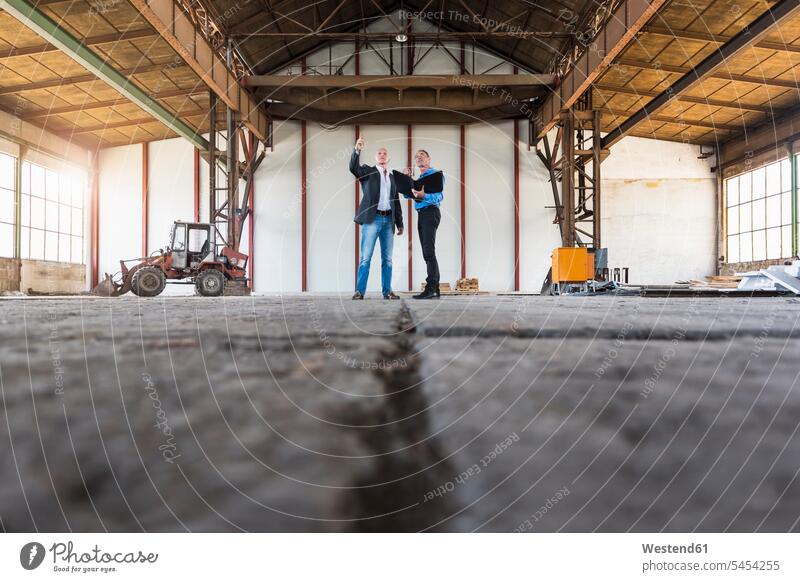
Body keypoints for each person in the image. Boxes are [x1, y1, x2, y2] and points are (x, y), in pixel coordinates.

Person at [349, 137, 404, 300]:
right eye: (379, 153)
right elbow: (353, 168)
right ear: (375, 157)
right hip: (372, 220)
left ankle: (387, 291)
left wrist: (400, 223)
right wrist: (357, 150)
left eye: (384, 153)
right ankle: (360, 291)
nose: (382, 155)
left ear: (388, 158)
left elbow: (396, 201)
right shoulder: (367, 171)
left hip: (388, 221)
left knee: (387, 259)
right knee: (365, 258)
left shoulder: (393, 177)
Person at [408, 149, 443, 300]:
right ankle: (435, 288)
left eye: (422, 156)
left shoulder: (435, 175)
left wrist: (424, 195)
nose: (419, 159)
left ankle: (431, 288)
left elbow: (439, 196)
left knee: (428, 251)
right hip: (422, 215)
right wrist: (406, 180)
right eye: (417, 157)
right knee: (427, 252)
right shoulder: (420, 179)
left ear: (429, 159)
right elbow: (408, 194)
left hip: (430, 213)